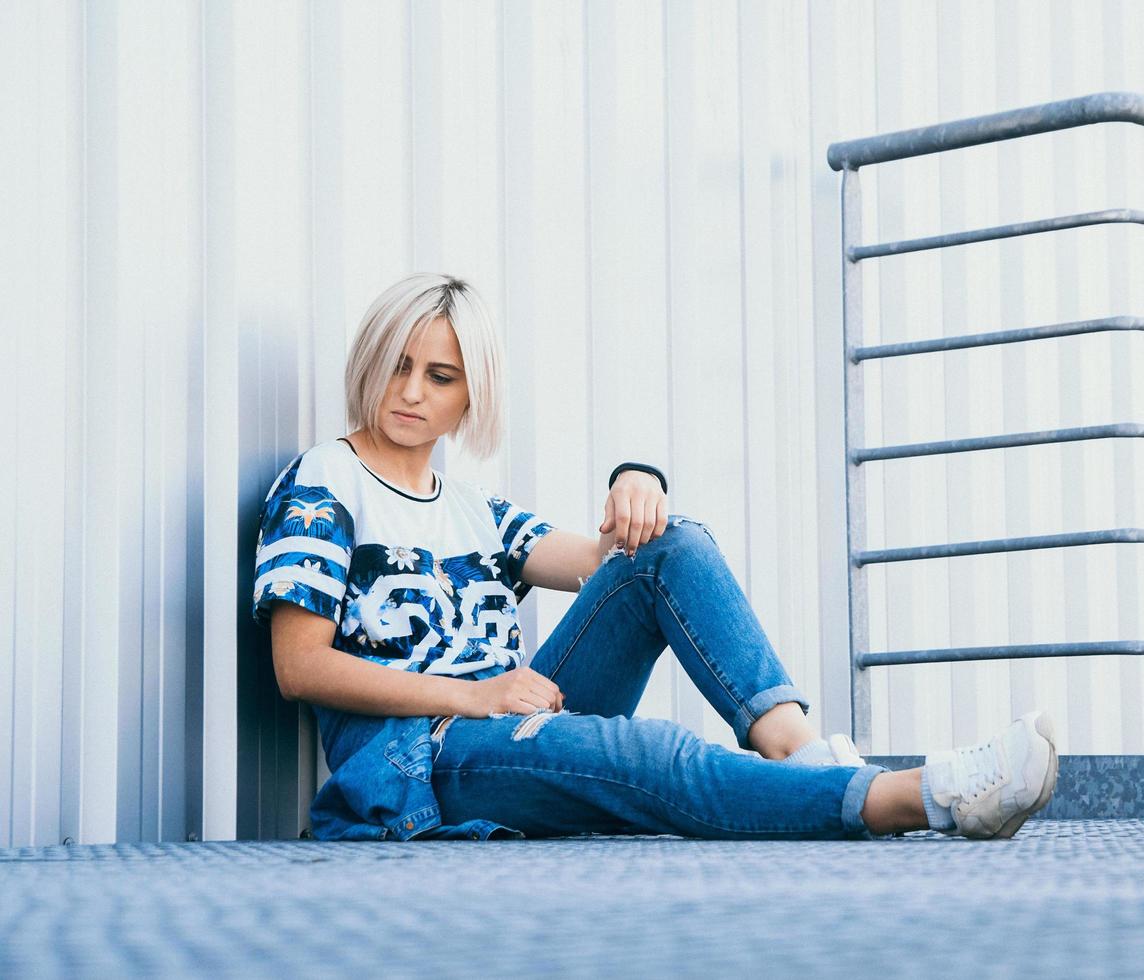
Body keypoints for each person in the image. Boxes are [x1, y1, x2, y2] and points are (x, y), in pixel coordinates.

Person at [252, 272, 1059, 842]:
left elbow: (611, 561)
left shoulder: (473, 509)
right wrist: (471, 696)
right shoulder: (324, 483)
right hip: (416, 762)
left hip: (506, 720)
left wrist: (637, 483)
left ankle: (797, 749)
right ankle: (920, 796)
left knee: (672, 546)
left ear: (472, 395)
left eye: (440, 376)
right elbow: (300, 668)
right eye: (399, 365)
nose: (413, 392)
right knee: (645, 754)